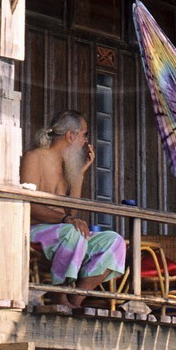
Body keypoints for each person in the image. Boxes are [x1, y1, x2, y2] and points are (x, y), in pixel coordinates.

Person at [20, 109, 126, 310]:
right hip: (34, 231)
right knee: (73, 232)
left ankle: (76, 299)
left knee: (114, 241)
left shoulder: (67, 166)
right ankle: (59, 294)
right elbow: (29, 205)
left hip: (64, 233)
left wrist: (79, 175)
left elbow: (72, 214)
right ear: (70, 136)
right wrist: (66, 220)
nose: (86, 142)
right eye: (84, 135)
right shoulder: (34, 157)